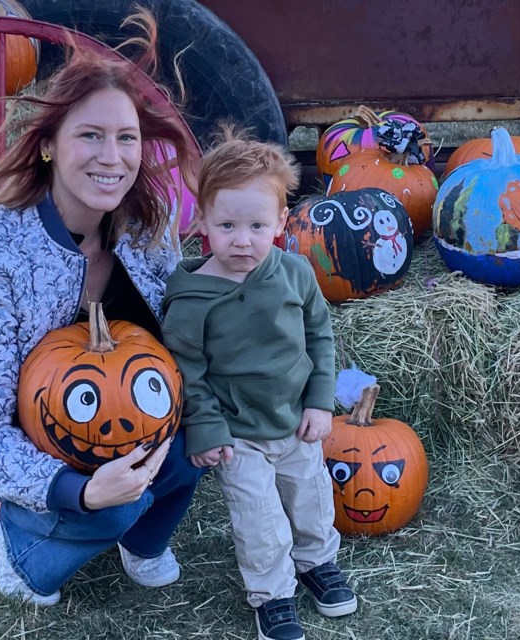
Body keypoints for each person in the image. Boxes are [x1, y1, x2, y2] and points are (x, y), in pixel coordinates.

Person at [0, 13, 203, 606]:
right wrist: (75, 490)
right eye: (90, 135)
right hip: (25, 437)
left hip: (129, 405)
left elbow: (186, 338)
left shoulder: (147, 231)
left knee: (196, 443)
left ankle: (143, 540)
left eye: (126, 137)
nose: (112, 156)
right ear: (51, 144)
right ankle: (19, 540)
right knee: (114, 505)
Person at [161, 130, 357, 640]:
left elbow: (320, 336)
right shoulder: (190, 298)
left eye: (256, 225)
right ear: (200, 220)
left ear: (281, 222)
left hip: (294, 417)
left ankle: (317, 563)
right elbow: (189, 372)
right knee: (259, 516)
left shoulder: (294, 273)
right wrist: (207, 430)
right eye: (226, 225)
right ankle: (271, 593)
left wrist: (320, 402)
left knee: (310, 496)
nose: (242, 239)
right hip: (237, 430)